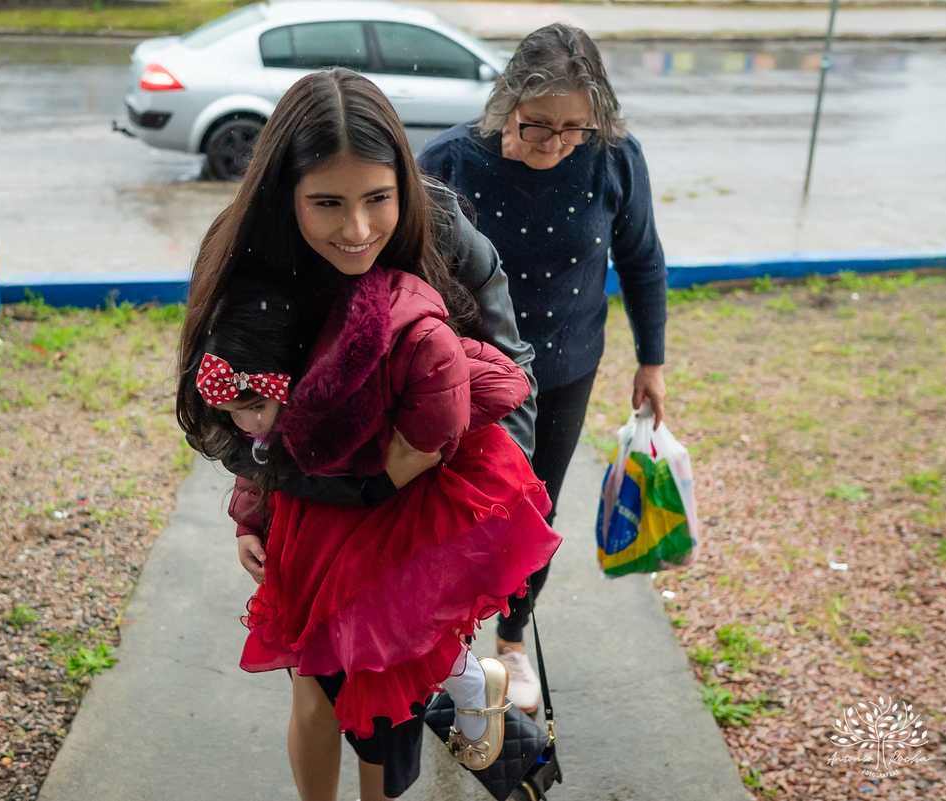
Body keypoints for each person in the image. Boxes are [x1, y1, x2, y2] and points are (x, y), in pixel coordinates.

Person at [176, 69, 562, 801]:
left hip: (418, 526)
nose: (356, 230)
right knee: (315, 693)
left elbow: (512, 375)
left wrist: (474, 524)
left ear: (402, 189)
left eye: (377, 199)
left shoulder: (444, 237)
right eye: (326, 202)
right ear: (282, 197)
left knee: (390, 714)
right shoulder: (249, 264)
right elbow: (228, 409)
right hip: (311, 521)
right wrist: (253, 505)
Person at [418, 22, 670, 714]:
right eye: (537, 127)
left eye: (572, 130)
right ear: (506, 104)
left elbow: (642, 259)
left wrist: (653, 359)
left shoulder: (614, 159)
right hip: (462, 373)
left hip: (564, 368)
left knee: (534, 505)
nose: (555, 145)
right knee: (453, 507)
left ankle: (512, 639)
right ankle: (448, 637)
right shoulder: (449, 162)